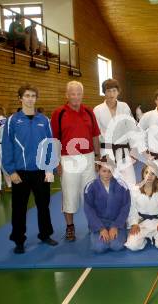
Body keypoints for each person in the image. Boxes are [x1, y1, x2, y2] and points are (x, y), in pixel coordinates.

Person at [2, 84, 58, 254]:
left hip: (41, 171)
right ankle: (19, 240)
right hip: (21, 172)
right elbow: (7, 147)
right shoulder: (12, 121)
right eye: (26, 95)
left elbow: (50, 146)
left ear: (36, 98)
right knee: (19, 208)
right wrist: (11, 171)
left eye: (33, 95)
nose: (30, 98)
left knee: (43, 205)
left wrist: (50, 169)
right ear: (20, 98)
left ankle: (45, 234)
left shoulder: (44, 120)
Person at [51, 81, 101, 242]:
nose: (76, 97)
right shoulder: (58, 113)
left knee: (89, 194)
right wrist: (57, 162)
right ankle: (70, 227)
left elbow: (95, 135)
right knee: (69, 194)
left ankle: (92, 224)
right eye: (72, 93)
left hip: (88, 157)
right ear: (67, 95)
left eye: (79, 93)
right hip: (68, 159)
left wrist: (98, 158)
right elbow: (54, 140)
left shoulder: (88, 111)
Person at [94, 78, 146, 188]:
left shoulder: (124, 106)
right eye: (108, 91)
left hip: (123, 151)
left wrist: (135, 150)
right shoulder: (97, 110)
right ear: (104, 92)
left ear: (118, 92)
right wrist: (97, 155)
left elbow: (131, 128)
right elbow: (95, 133)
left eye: (114, 91)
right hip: (106, 151)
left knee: (130, 182)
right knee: (106, 184)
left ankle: (130, 205)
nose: (111, 94)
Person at [84, 158, 130, 253]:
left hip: (117, 223)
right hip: (98, 223)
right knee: (99, 248)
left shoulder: (122, 186)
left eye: (110, 171)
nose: (107, 174)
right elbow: (89, 210)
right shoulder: (91, 187)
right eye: (104, 171)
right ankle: (94, 232)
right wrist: (101, 228)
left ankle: (119, 232)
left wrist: (115, 226)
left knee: (117, 246)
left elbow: (125, 208)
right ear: (98, 170)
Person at [125, 164, 158, 251]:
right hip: (141, 222)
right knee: (133, 246)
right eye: (146, 172)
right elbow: (132, 209)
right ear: (143, 174)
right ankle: (144, 239)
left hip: (157, 222)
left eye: (152, 173)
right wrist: (134, 224)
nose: (149, 176)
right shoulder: (135, 189)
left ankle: (155, 237)